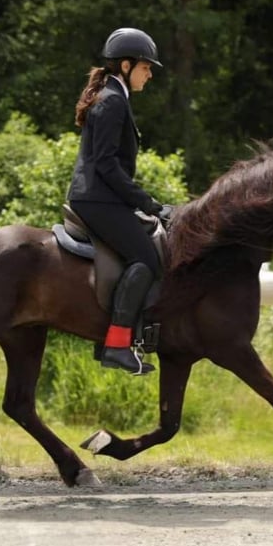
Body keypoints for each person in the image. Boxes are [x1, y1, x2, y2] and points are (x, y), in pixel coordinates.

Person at [67, 27, 165, 375]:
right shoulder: (112, 101)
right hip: (97, 200)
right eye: (145, 67)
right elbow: (106, 164)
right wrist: (148, 203)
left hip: (102, 198)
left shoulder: (112, 96)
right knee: (146, 258)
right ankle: (117, 345)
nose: (150, 74)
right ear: (126, 65)